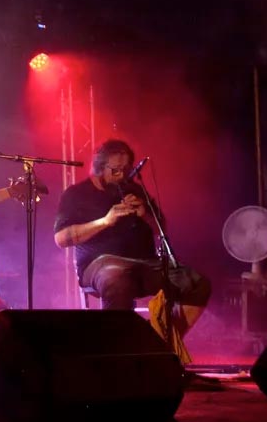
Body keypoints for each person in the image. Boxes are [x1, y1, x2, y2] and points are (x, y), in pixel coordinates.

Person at [52, 139, 211, 363]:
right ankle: (117, 357)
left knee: (197, 283)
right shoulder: (76, 194)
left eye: (126, 170)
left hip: (146, 264)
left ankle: (156, 347)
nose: (121, 176)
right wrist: (105, 221)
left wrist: (145, 214)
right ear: (98, 167)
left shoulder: (135, 190)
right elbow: (61, 239)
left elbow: (161, 229)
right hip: (101, 264)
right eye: (115, 170)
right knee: (117, 279)